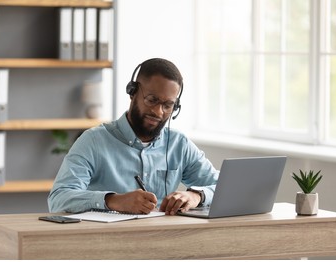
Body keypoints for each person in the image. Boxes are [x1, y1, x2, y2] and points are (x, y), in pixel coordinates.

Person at [48, 58, 219, 215]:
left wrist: (197, 196)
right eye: (152, 100)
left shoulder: (179, 144)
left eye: (168, 105)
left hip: (163, 239)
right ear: (132, 92)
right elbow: (58, 199)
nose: (158, 112)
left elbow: (225, 186)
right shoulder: (93, 141)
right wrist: (113, 201)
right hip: (106, 241)